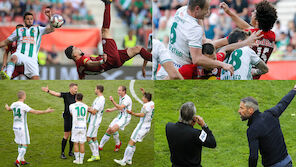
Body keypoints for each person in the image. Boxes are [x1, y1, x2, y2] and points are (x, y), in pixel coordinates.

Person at [64, 0, 152, 79]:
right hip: (109, 59)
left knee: (138, 49)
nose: (78, 48)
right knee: (105, 31)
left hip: (115, 63)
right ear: (74, 55)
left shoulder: (79, 69)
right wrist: (101, 61)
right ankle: (108, 3)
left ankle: (156, 59)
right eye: (75, 49)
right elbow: (89, 63)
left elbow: (82, 78)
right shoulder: (81, 60)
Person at [161, 0, 234, 80]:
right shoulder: (194, 29)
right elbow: (197, 59)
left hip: (168, 62)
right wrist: (223, 65)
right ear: (197, 9)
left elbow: (198, 18)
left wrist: (203, 37)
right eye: (206, 9)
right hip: (181, 70)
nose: (207, 12)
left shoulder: (182, 10)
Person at [238, 85, 296, 167]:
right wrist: (294, 90)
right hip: (287, 161)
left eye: (242, 108)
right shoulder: (270, 114)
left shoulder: (252, 130)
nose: (239, 111)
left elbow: (253, 156)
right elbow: (283, 103)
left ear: (250, 110)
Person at [220, 0, 277, 79]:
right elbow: (247, 26)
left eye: (254, 12)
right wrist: (229, 12)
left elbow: (246, 27)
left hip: (241, 75)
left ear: (257, 20)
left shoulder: (249, 35)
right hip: (257, 75)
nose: (251, 13)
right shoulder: (272, 36)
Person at [0, 9, 56, 80]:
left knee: (36, 81)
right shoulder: (19, 31)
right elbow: (5, 42)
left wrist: (50, 16)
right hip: (20, 54)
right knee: (13, 57)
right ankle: (7, 75)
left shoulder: (38, 29)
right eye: (28, 19)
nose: (30, 20)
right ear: (24, 20)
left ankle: (8, 75)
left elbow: (52, 29)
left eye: (31, 19)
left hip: (32, 59)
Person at [4, 90, 54, 167]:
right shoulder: (24, 106)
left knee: (20, 143)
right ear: (24, 96)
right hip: (22, 127)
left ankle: (22, 161)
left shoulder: (14, 104)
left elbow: (8, 109)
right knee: (25, 144)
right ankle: (17, 161)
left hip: (15, 126)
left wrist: (6, 106)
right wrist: (46, 111)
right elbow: (35, 112)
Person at [166, 102, 216, 167]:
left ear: (180, 113)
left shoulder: (169, 127)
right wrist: (204, 125)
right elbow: (212, 143)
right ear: (193, 118)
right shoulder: (196, 134)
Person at [114, 88, 154, 166]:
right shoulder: (152, 103)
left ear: (146, 99)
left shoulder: (145, 106)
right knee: (134, 143)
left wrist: (132, 113)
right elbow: (148, 98)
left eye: (143, 97)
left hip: (141, 127)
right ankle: (129, 160)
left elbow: (142, 115)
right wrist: (144, 92)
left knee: (131, 142)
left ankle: (123, 161)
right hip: (147, 127)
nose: (142, 98)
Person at [41, 83, 78, 159]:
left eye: (76, 88)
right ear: (70, 88)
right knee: (66, 135)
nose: (76, 90)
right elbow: (56, 94)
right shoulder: (66, 95)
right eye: (75, 88)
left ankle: (70, 152)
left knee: (72, 135)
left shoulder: (77, 96)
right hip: (67, 117)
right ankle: (62, 153)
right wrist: (48, 91)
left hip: (74, 118)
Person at [99, 85, 132, 152]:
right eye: (118, 90)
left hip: (125, 118)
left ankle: (118, 143)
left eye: (119, 90)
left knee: (113, 129)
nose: (118, 91)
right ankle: (100, 146)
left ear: (124, 91)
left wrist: (113, 101)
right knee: (109, 130)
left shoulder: (127, 99)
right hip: (120, 116)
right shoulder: (121, 97)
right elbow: (119, 106)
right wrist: (111, 109)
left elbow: (120, 107)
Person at [86, 85, 105, 162]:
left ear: (98, 90)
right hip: (94, 121)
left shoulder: (100, 100)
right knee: (94, 138)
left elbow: (94, 112)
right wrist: (85, 106)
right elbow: (92, 108)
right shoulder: (98, 98)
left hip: (95, 121)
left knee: (88, 138)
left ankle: (95, 155)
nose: (94, 90)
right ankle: (96, 155)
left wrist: (84, 108)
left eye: (95, 89)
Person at [69, 93, 88, 164]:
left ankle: (77, 160)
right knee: (82, 143)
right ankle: (81, 160)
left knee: (76, 143)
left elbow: (72, 114)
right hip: (83, 126)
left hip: (75, 126)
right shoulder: (86, 106)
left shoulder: (71, 106)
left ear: (75, 98)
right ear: (82, 99)